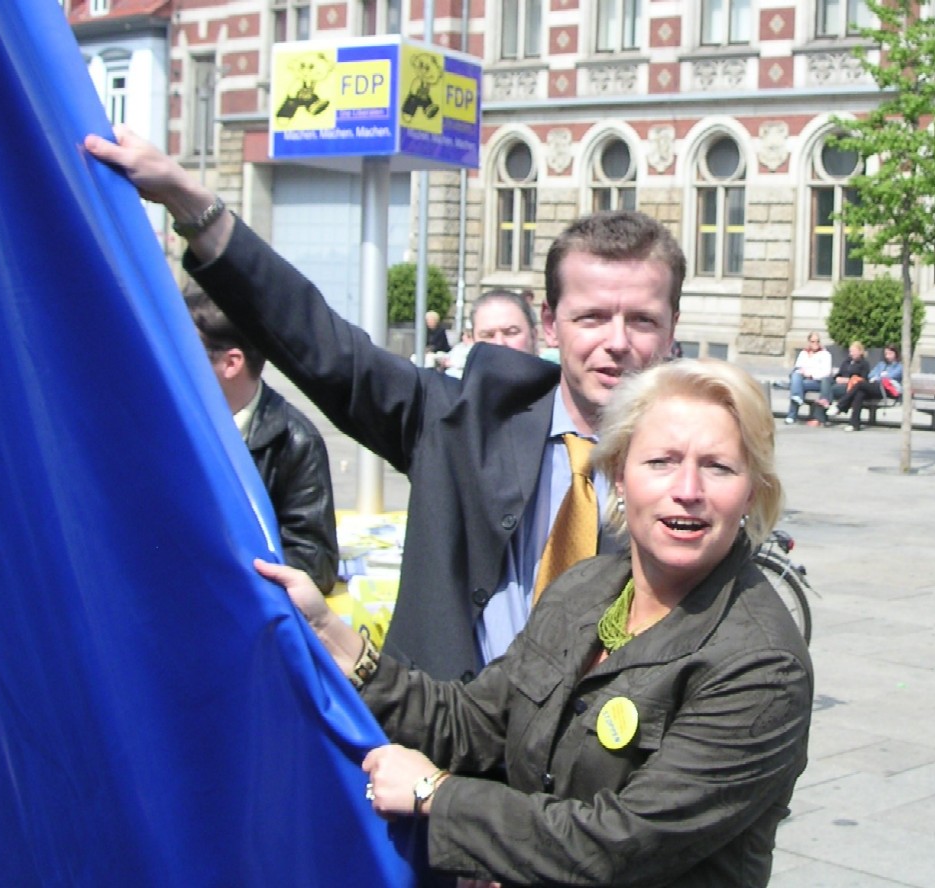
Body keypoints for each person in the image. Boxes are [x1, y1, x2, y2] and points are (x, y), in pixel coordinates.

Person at [84, 126, 683, 681]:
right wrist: (194, 206)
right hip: (438, 752)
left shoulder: (696, 475)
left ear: (673, 327)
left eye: (642, 320)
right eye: (593, 317)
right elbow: (323, 346)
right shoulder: (460, 422)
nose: (617, 342)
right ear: (551, 323)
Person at [255, 358, 813, 887]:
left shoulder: (762, 666)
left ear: (751, 493)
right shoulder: (585, 586)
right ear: (619, 475)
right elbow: (474, 723)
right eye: (661, 461)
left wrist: (436, 795)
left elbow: (618, 842)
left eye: (717, 467)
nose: (687, 490)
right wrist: (333, 636)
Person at [185, 286, 339, 593]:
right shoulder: (173, 424)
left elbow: (315, 562)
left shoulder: (295, 441)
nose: (173, 360)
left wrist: (222, 565)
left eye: (186, 350)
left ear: (231, 363)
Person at [827, 343, 903, 432]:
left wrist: (879, 377)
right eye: (886, 354)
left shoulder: (899, 366)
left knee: (860, 383)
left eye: (890, 354)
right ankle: (854, 424)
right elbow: (871, 375)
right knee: (859, 393)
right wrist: (880, 376)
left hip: (888, 390)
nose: (887, 356)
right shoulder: (881, 364)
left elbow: (890, 377)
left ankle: (840, 406)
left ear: (896, 354)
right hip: (876, 387)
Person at [785, 331, 832, 425]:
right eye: (813, 341)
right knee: (796, 375)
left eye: (817, 341)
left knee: (796, 385)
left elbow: (826, 372)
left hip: (818, 382)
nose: (815, 344)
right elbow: (798, 367)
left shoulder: (825, 354)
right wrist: (803, 372)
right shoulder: (803, 353)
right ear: (809, 342)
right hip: (804, 380)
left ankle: (792, 415)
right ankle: (797, 398)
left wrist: (810, 374)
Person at [819, 340, 870, 418]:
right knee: (826, 380)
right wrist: (837, 378)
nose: (851, 354)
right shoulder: (847, 361)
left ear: (860, 352)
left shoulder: (864, 364)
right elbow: (839, 373)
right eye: (850, 351)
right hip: (839, 382)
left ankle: (826, 406)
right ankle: (826, 402)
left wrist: (847, 380)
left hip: (850, 386)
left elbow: (863, 380)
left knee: (831, 389)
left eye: (853, 351)